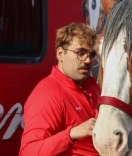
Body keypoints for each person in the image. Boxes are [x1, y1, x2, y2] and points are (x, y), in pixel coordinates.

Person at [19, 23, 100, 156]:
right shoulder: (47, 93)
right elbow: (28, 152)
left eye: (91, 54)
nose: (87, 60)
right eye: (80, 53)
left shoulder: (92, 86)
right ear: (60, 54)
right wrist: (72, 133)